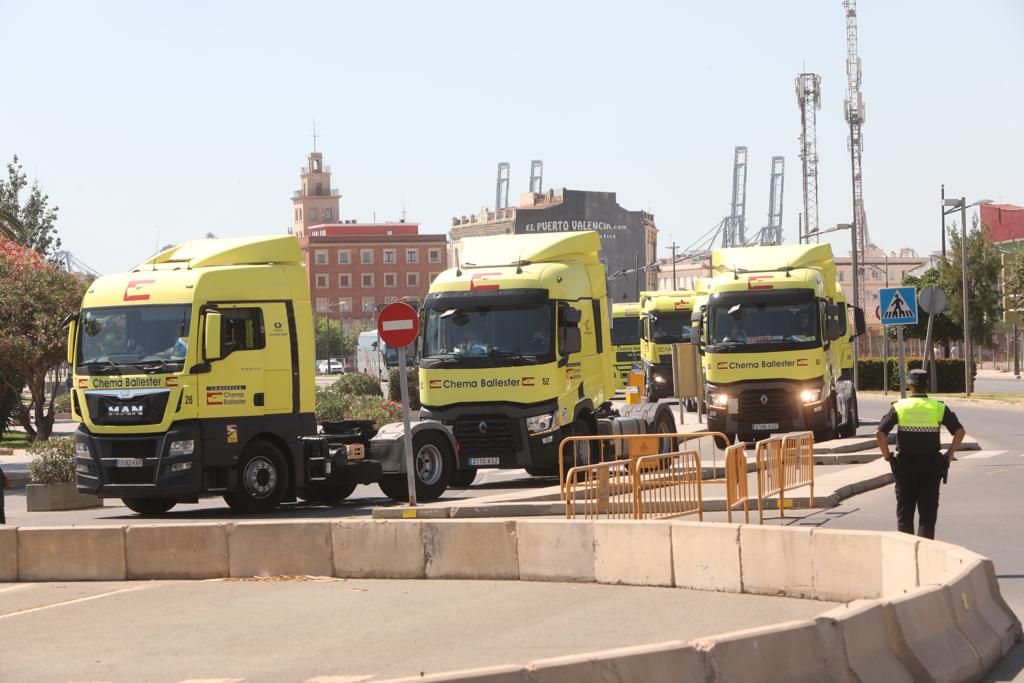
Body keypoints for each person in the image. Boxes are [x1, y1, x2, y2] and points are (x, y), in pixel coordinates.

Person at [875, 369, 966, 539]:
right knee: (927, 519)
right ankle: (925, 559)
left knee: (904, 518)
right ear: (928, 386)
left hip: (904, 467)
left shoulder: (899, 406)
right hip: (931, 468)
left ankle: (906, 558)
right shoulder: (938, 407)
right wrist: (949, 454)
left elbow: (880, 433)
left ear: (910, 386)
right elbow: (959, 432)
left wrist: (888, 456)